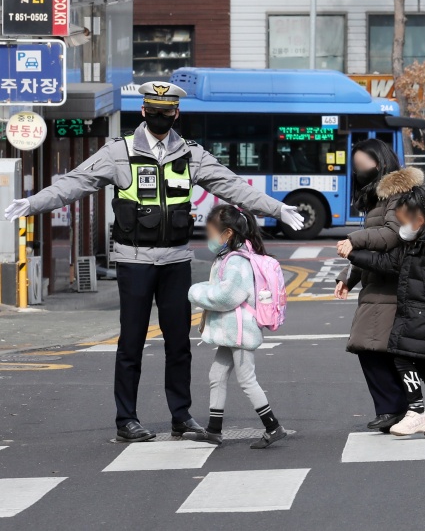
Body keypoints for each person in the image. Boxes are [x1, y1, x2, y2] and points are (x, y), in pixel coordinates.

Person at [3, 81, 304, 443]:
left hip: (176, 261)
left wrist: (278, 208)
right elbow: (76, 182)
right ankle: (126, 420)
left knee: (179, 343)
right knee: (131, 342)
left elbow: (233, 186)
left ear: (176, 113)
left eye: (167, 112)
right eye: (155, 111)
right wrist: (33, 203)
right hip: (134, 261)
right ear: (143, 111)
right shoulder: (118, 152)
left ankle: (181, 418)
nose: (161, 117)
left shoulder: (192, 155)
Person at [348, 186, 425, 437]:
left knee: (402, 358)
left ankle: (417, 412)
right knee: (423, 367)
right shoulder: (410, 245)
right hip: (414, 315)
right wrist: (354, 255)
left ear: (420, 219)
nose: (400, 225)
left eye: (403, 219)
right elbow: (384, 263)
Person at [334, 139, 420, 432]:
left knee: (378, 348)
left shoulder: (401, 196)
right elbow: (375, 242)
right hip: (377, 284)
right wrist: (349, 277)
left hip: (394, 283)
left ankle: (401, 409)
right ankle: (398, 409)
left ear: (380, 164)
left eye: (362, 166)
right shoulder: (380, 199)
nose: (359, 172)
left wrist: (354, 241)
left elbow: (390, 236)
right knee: (372, 347)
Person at [186, 205, 288, 449]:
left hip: (241, 330)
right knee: (216, 375)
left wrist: (194, 291)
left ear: (228, 233)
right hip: (231, 331)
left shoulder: (236, 261)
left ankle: (273, 426)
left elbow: (227, 296)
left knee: (246, 379)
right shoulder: (234, 256)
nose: (209, 238)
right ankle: (214, 430)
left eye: (212, 232)